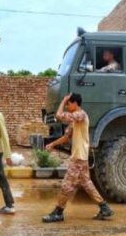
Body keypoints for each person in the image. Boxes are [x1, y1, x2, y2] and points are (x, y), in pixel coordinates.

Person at [42, 93, 114, 223]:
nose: (67, 106)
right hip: (81, 157)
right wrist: (52, 144)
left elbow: (59, 116)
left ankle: (58, 212)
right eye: (67, 104)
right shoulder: (75, 120)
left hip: (79, 158)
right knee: (87, 183)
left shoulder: (80, 115)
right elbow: (66, 137)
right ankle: (104, 207)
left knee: (67, 185)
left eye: (69, 104)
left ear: (75, 103)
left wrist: (63, 101)